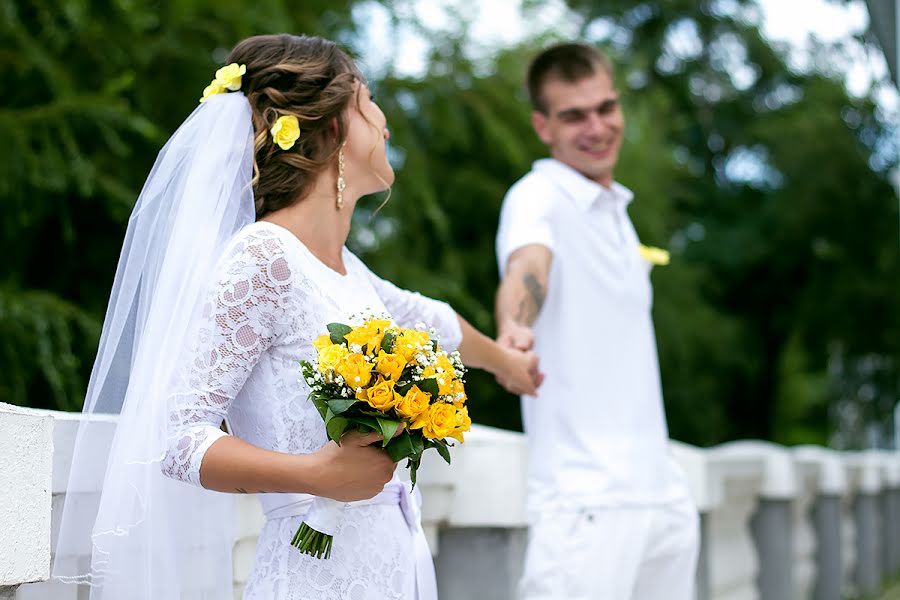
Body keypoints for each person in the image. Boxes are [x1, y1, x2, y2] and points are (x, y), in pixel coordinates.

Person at [54, 34, 540, 600]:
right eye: (369, 102)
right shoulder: (263, 258)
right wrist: (317, 474)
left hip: (396, 570)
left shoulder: (349, 272)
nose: (384, 123)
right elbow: (178, 439)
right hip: (315, 574)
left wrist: (509, 362)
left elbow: (430, 319)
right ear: (333, 129)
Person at [494, 42, 699, 600]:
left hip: (663, 498)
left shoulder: (617, 213)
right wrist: (515, 330)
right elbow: (528, 266)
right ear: (543, 126)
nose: (597, 127)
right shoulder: (537, 196)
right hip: (584, 505)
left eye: (606, 108)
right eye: (574, 115)